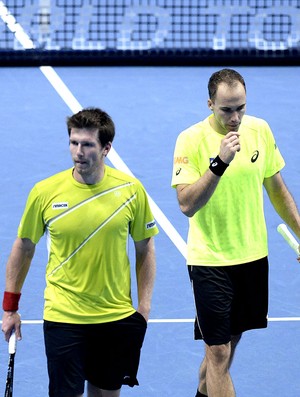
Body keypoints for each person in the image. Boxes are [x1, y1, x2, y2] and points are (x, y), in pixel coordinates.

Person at [2, 107, 159, 397]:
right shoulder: (45, 192)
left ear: (106, 148)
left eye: (87, 144)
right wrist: (10, 308)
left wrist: (144, 307)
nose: (78, 151)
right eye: (74, 143)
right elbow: (24, 247)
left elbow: (145, 247)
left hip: (115, 316)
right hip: (64, 316)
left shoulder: (131, 191)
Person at [171, 68, 300, 397]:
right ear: (210, 104)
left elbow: (278, 191)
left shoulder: (260, 130)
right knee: (218, 353)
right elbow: (186, 204)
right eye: (227, 109)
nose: (235, 117)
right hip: (210, 260)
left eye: (240, 107)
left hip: (253, 257)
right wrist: (219, 162)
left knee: (223, 352)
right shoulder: (191, 139)